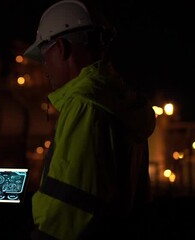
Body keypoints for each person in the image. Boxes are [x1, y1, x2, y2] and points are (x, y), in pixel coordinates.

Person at [23, 0, 156, 239]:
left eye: (45, 56)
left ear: (61, 48)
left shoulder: (85, 106)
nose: (45, 68)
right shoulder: (117, 100)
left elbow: (65, 212)